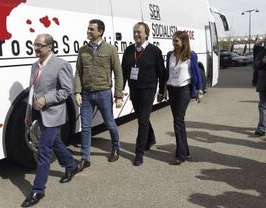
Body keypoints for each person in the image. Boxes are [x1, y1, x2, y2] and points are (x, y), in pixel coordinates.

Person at [21, 34, 78, 207]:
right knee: (56, 143)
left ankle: (38, 190)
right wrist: (28, 111)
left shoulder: (61, 65)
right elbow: (32, 90)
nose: (36, 48)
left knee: (44, 151)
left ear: (50, 46)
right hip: (39, 112)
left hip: (54, 113)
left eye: (39, 45)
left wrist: (46, 100)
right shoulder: (34, 65)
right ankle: (70, 165)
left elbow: (67, 90)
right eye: (34, 44)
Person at [74, 19, 124, 171]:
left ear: (100, 32)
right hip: (87, 94)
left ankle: (116, 147)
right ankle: (85, 158)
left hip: (104, 92)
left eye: (91, 29)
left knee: (110, 123)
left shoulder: (110, 49)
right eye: (88, 29)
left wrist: (118, 95)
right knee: (86, 126)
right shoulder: (83, 50)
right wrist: (77, 91)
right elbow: (78, 73)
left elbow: (118, 72)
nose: (88, 31)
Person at [121, 22, 165, 166]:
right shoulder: (128, 50)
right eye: (134, 32)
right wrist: (120, 90)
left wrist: (162, 91)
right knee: (142, 118)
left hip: (148, 89)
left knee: (142, 120)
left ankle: (139, 152)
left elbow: (162, 73)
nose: (136, 34)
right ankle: (151, 138)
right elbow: (124, 72)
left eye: (139, 32)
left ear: (146, 33)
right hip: (134, 89)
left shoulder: (154, 51)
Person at [163, 31, 203, 165]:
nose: (173, 43)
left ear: (184, 42)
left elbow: (197, 74)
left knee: (178, 120)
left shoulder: (191, 55)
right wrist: (163, 90)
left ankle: (180, 155)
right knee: (178, 120)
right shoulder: (170, 55)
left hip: (184, 90)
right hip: (172, 90)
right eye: (173, 40)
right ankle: (185, 151)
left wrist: (200, 90)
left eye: (176, 41)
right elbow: (166, 73)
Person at [254, 45, 266, 137]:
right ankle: (262, 128)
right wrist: (262, 61)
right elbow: (255, 66)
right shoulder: (262, 53)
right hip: (264, 84)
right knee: (263, 106)